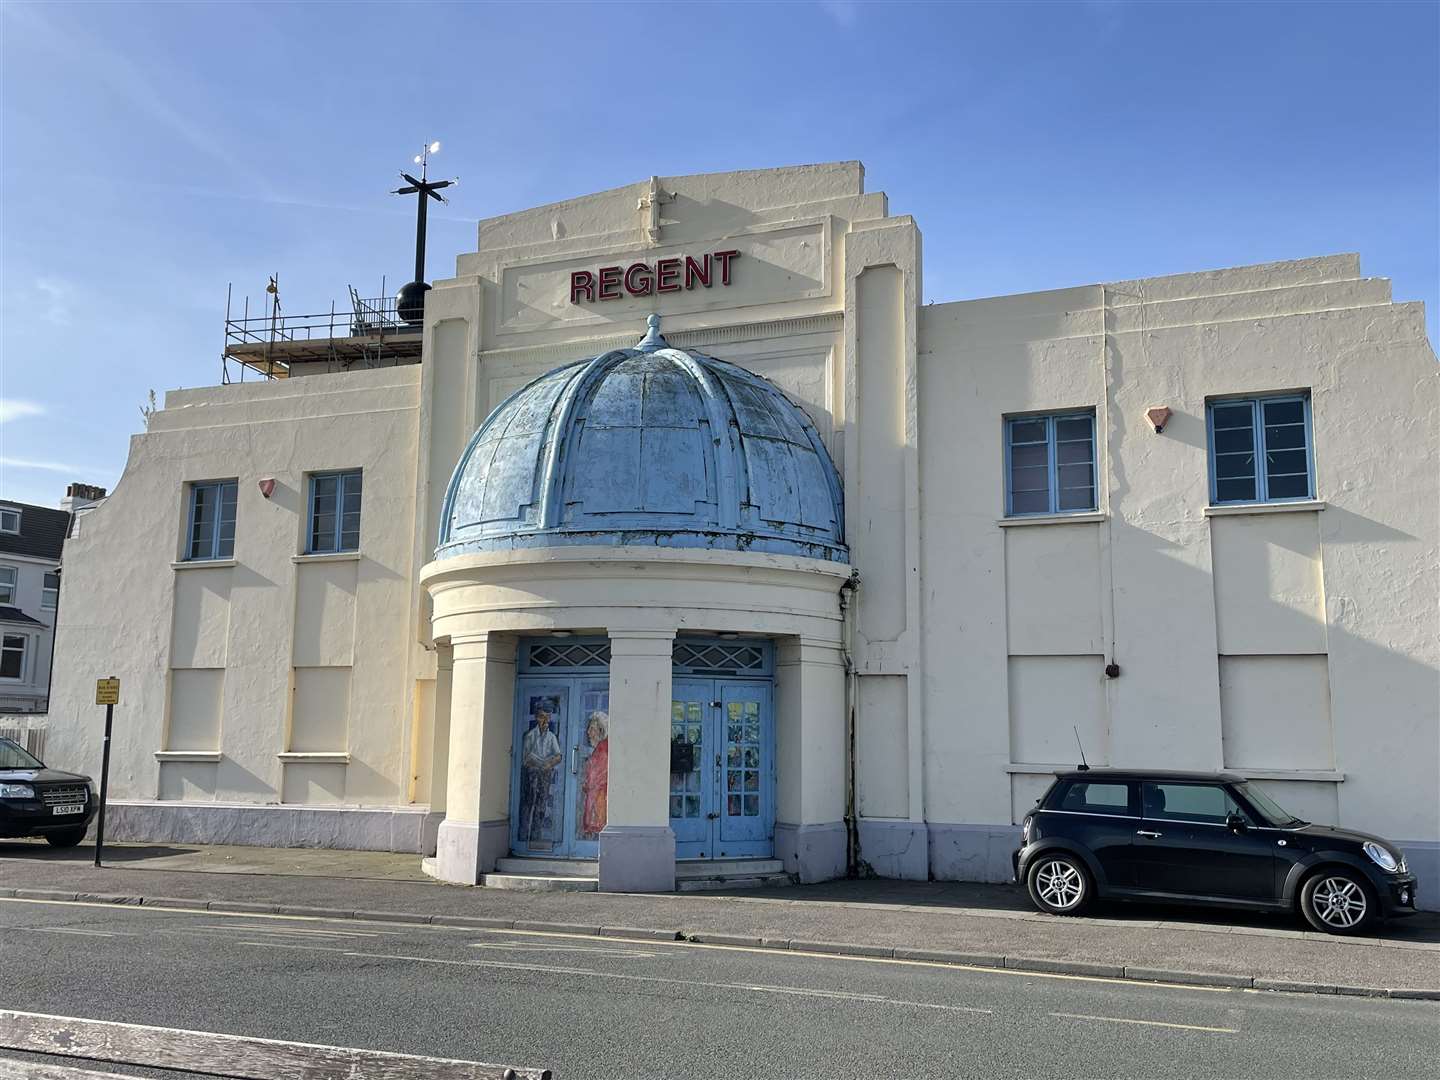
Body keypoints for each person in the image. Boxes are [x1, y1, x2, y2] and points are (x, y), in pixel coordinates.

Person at [519, 707, 563, 845]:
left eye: (548, 717)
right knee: (529, 803)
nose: (546, 720)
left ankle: (535, 836)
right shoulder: (530, 735)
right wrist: (535, 762)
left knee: (541, 805)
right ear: (537, 718)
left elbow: (558, 756)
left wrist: (548, 764)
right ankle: (523, 836)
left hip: (544, 773)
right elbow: (525, 758)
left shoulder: (551, 737)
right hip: (532, 774)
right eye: (543, 717)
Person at [578, 711, 609, 840]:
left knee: (597, 830)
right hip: (597, 798)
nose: (588, 733)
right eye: (588, 728)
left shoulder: (602, 749)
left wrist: (586, 783)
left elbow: (597, 778)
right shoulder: (602, 748)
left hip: (598, 800)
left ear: (601, 731)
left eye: (592, 729)